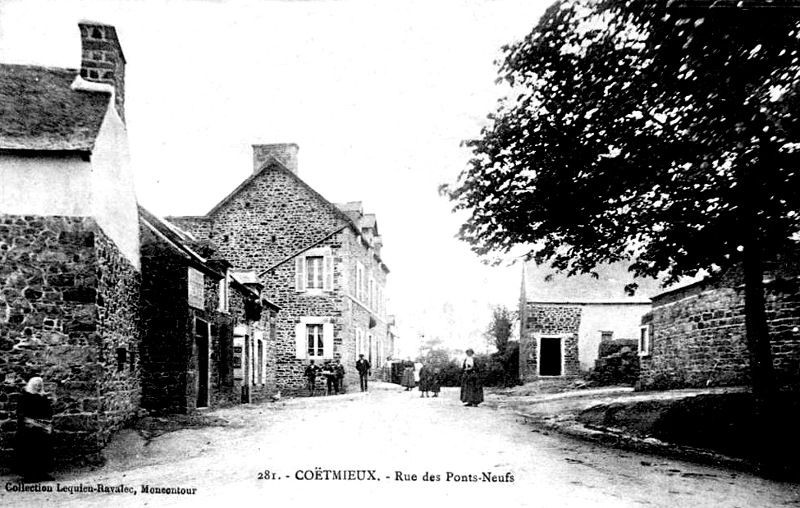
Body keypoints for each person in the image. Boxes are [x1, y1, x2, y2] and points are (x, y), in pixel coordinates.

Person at [14, 376, 54, 481]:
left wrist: (47, 424)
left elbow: (49, 412)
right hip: (28, 429)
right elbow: (21, 414)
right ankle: (29, 475)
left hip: (42, 428)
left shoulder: (43, 397)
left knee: (43, 451)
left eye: (40, 385)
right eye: (36, 385)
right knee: (29, 451)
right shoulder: (24, 397)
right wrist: (32, 422)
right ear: (31, 385)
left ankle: (42, 473)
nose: (38, 387)